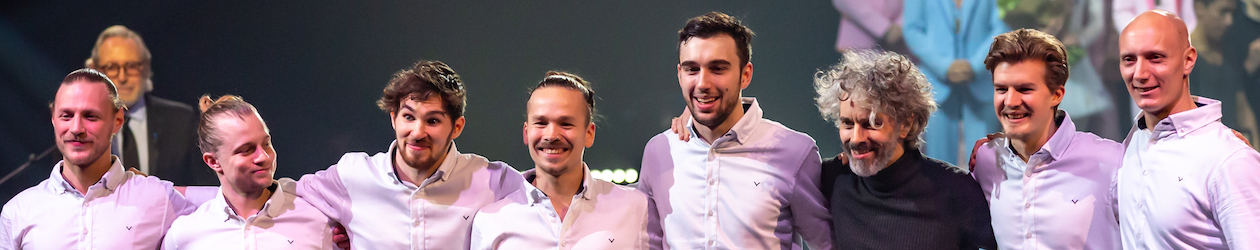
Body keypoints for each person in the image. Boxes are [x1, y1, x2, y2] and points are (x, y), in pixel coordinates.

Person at [638, 12, 833, 249]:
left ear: (745, 74)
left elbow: (825, 245)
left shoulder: (795, 152)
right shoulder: (659, 152)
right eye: (692, 70)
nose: (702, 83)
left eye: (717, 69)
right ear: (680, 74)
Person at [296, 60, 525, 249]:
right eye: (409, 117)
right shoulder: (353, 175)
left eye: (432, 120)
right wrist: (330, 233)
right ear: (393, 117)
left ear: (457, 127)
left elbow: (546, 198)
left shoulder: (493, 181)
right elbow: (285, 198)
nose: (418, 132)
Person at [815, 50, 996, 249]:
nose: (856, 139)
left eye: (872, 124)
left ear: (906, 124)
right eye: (848, 124)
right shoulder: (833, 179)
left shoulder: (956, 191)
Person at [0, 69, 196, 249]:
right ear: (53, 119)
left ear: (118, 120)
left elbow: (219, 218)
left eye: (90, 116)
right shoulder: (18, 212)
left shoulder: (158, 198)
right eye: (66, 116)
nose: (76, 128)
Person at [1116, 10, 1260, 249]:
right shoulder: (1131, 145)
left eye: (1155, 57)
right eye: (1129, 60)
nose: (1140, 74)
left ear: (1188, 60)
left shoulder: (1230, 159)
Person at [970, 28, 1123, 249]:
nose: (1010, 101)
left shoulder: (1111, 161)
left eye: (1024, 89)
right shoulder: (986, 160)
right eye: (1001, 89)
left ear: (1056, 94)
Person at [470, 72, 649, 249]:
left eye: (565, 124)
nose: (551, 135)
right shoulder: (491, 221)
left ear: (589, 133)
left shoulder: (635, 208)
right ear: (526, 132)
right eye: (541, 123)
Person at [162, 95, 335, 249]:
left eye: (266, 143)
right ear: (213, 161)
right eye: (246, 149)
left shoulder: (317, 222)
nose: (264, 156)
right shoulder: (184, 235)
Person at [86, 25, 215, 185]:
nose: (122, 77)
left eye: (131, 66)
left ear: (146, 68)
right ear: (94, 71)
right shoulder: (81, 126)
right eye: (111, 67)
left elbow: (204, 188)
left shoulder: (181, 121)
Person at [903, 0, 1010, 165]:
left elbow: (1002, 26)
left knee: (985, 159)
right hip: (936, 82)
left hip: (982, 79)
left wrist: (975, 65)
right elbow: (912, 29)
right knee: (938, 163)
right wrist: (944, 66)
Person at [1188, 0, 1258, 148]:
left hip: (1232, 154)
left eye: (1231, 13)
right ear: (1199, 7)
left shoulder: (1229, 56)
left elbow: (1244, 112)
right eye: (1223, 12)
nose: (1229, 21)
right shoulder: (1183, 61)